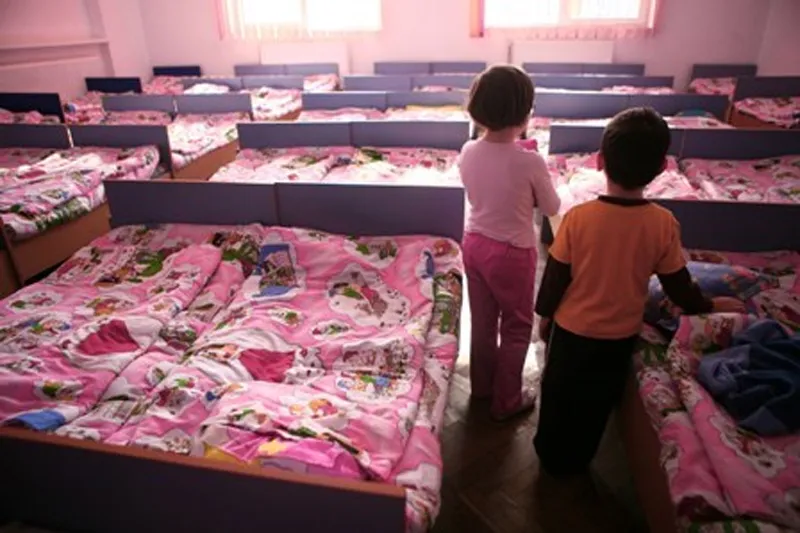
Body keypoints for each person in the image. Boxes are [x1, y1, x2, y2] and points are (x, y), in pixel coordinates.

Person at [532, 107, 745, 477]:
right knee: (598, 401)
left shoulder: (578, 218)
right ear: (662, 167)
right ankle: (580, 459)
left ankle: (550, 455)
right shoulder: (663, 224)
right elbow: (678, 286)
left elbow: (555, 278)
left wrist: (545, 316)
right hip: (619, 336)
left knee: (558, 393)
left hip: (571, 331)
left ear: (600, 161)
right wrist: (711, 304)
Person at [459, 65, 561, 421]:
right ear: (525, 113)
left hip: (474, 243)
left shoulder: (468, 150)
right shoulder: (530, 161)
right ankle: (507, 400)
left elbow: (481, 192)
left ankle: (482, 388)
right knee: (516, 327)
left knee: (483, 322)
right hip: (512, 252)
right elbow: (551, 207)